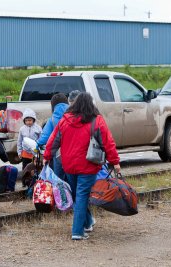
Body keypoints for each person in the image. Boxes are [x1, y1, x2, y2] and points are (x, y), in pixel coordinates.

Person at [43, 92, 121, 240]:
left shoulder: (65, 120)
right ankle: (77, 232)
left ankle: (88, 222)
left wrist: (47, 157)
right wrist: (115, 162)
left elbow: (53, 141)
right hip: (88, 165)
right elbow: (108, 143)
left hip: (69, 165)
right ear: (91, 104)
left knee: (76, 194)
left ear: (75, 103)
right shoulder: (97, 121)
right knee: (82, 196)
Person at [36, 93, 69, 179]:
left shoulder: (52, 120)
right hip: (74, 153)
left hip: (58, 155)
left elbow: (45, 138)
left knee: (58, 179)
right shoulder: (74, 116)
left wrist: (37, 143)